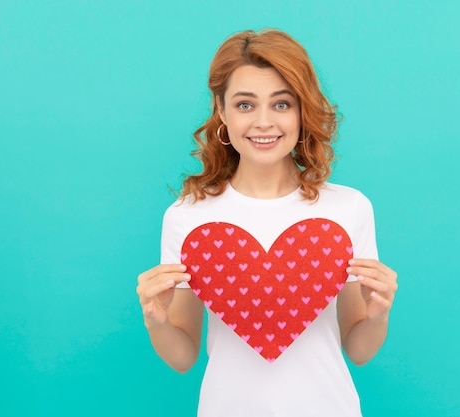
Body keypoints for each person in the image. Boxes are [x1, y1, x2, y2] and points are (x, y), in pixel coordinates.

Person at [136, 29, 398, 417]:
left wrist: (379, 314)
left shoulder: (348, 209)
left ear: (301, 111)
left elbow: (358, 350)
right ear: (221, 111)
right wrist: (156, 320)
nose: (263, 122)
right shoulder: (188, 217)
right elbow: (183, 356)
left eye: (281, 104)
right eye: (245, 105)